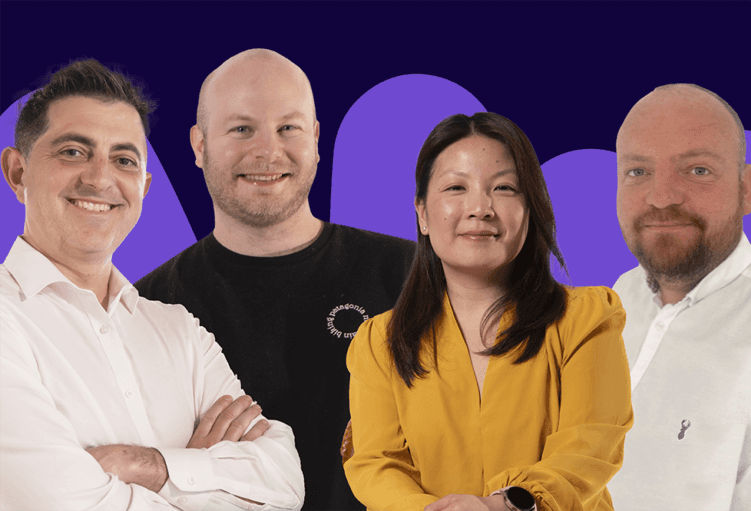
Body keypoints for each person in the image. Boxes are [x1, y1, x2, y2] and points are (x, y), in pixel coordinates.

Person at [0, 59, 303, 510]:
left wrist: (145, 466)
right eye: (73, 152)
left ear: (143, 187)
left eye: (123, 159)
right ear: (18, 172)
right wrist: (199, 474)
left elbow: (284, 485)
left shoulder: (179, 331)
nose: (100, 178)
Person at [135, 49, 415, 510]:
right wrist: (180, 472)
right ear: (199, 145)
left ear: (316, 139)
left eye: (289, 128)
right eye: (242, 128)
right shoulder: (147, 308)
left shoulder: (410, 274)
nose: (268, 151)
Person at [344, 112, 633, 511]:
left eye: (504, 188)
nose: (480, 208)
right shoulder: (380, 343)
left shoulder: (587, 319)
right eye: (456, 188)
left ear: (530, 210)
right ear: (423, 214)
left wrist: (504, 505)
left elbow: (592, 444)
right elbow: (375, 464)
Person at [608, 84, 751, 510]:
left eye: (697, 170)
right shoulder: (613, 302)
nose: (662, 197)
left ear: (746, 189)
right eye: (637, 172)